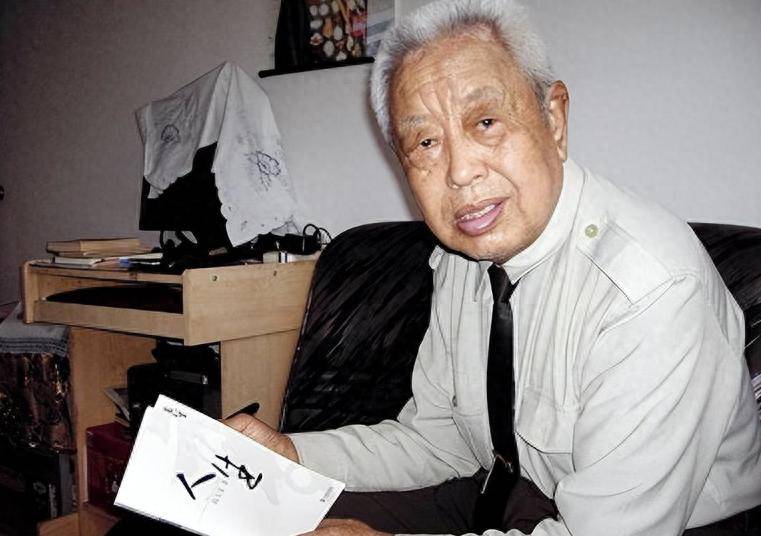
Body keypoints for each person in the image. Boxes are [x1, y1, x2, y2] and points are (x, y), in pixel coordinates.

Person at [227, 0, 761, 535]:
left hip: (670, 525)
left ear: (554, 119)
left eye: (485, 122)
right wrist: (290, 452)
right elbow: (437, 441)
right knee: (265, 514)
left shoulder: (651, 292)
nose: (460, 172)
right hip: (512, 490)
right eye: (426, 143)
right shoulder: (463, 258)